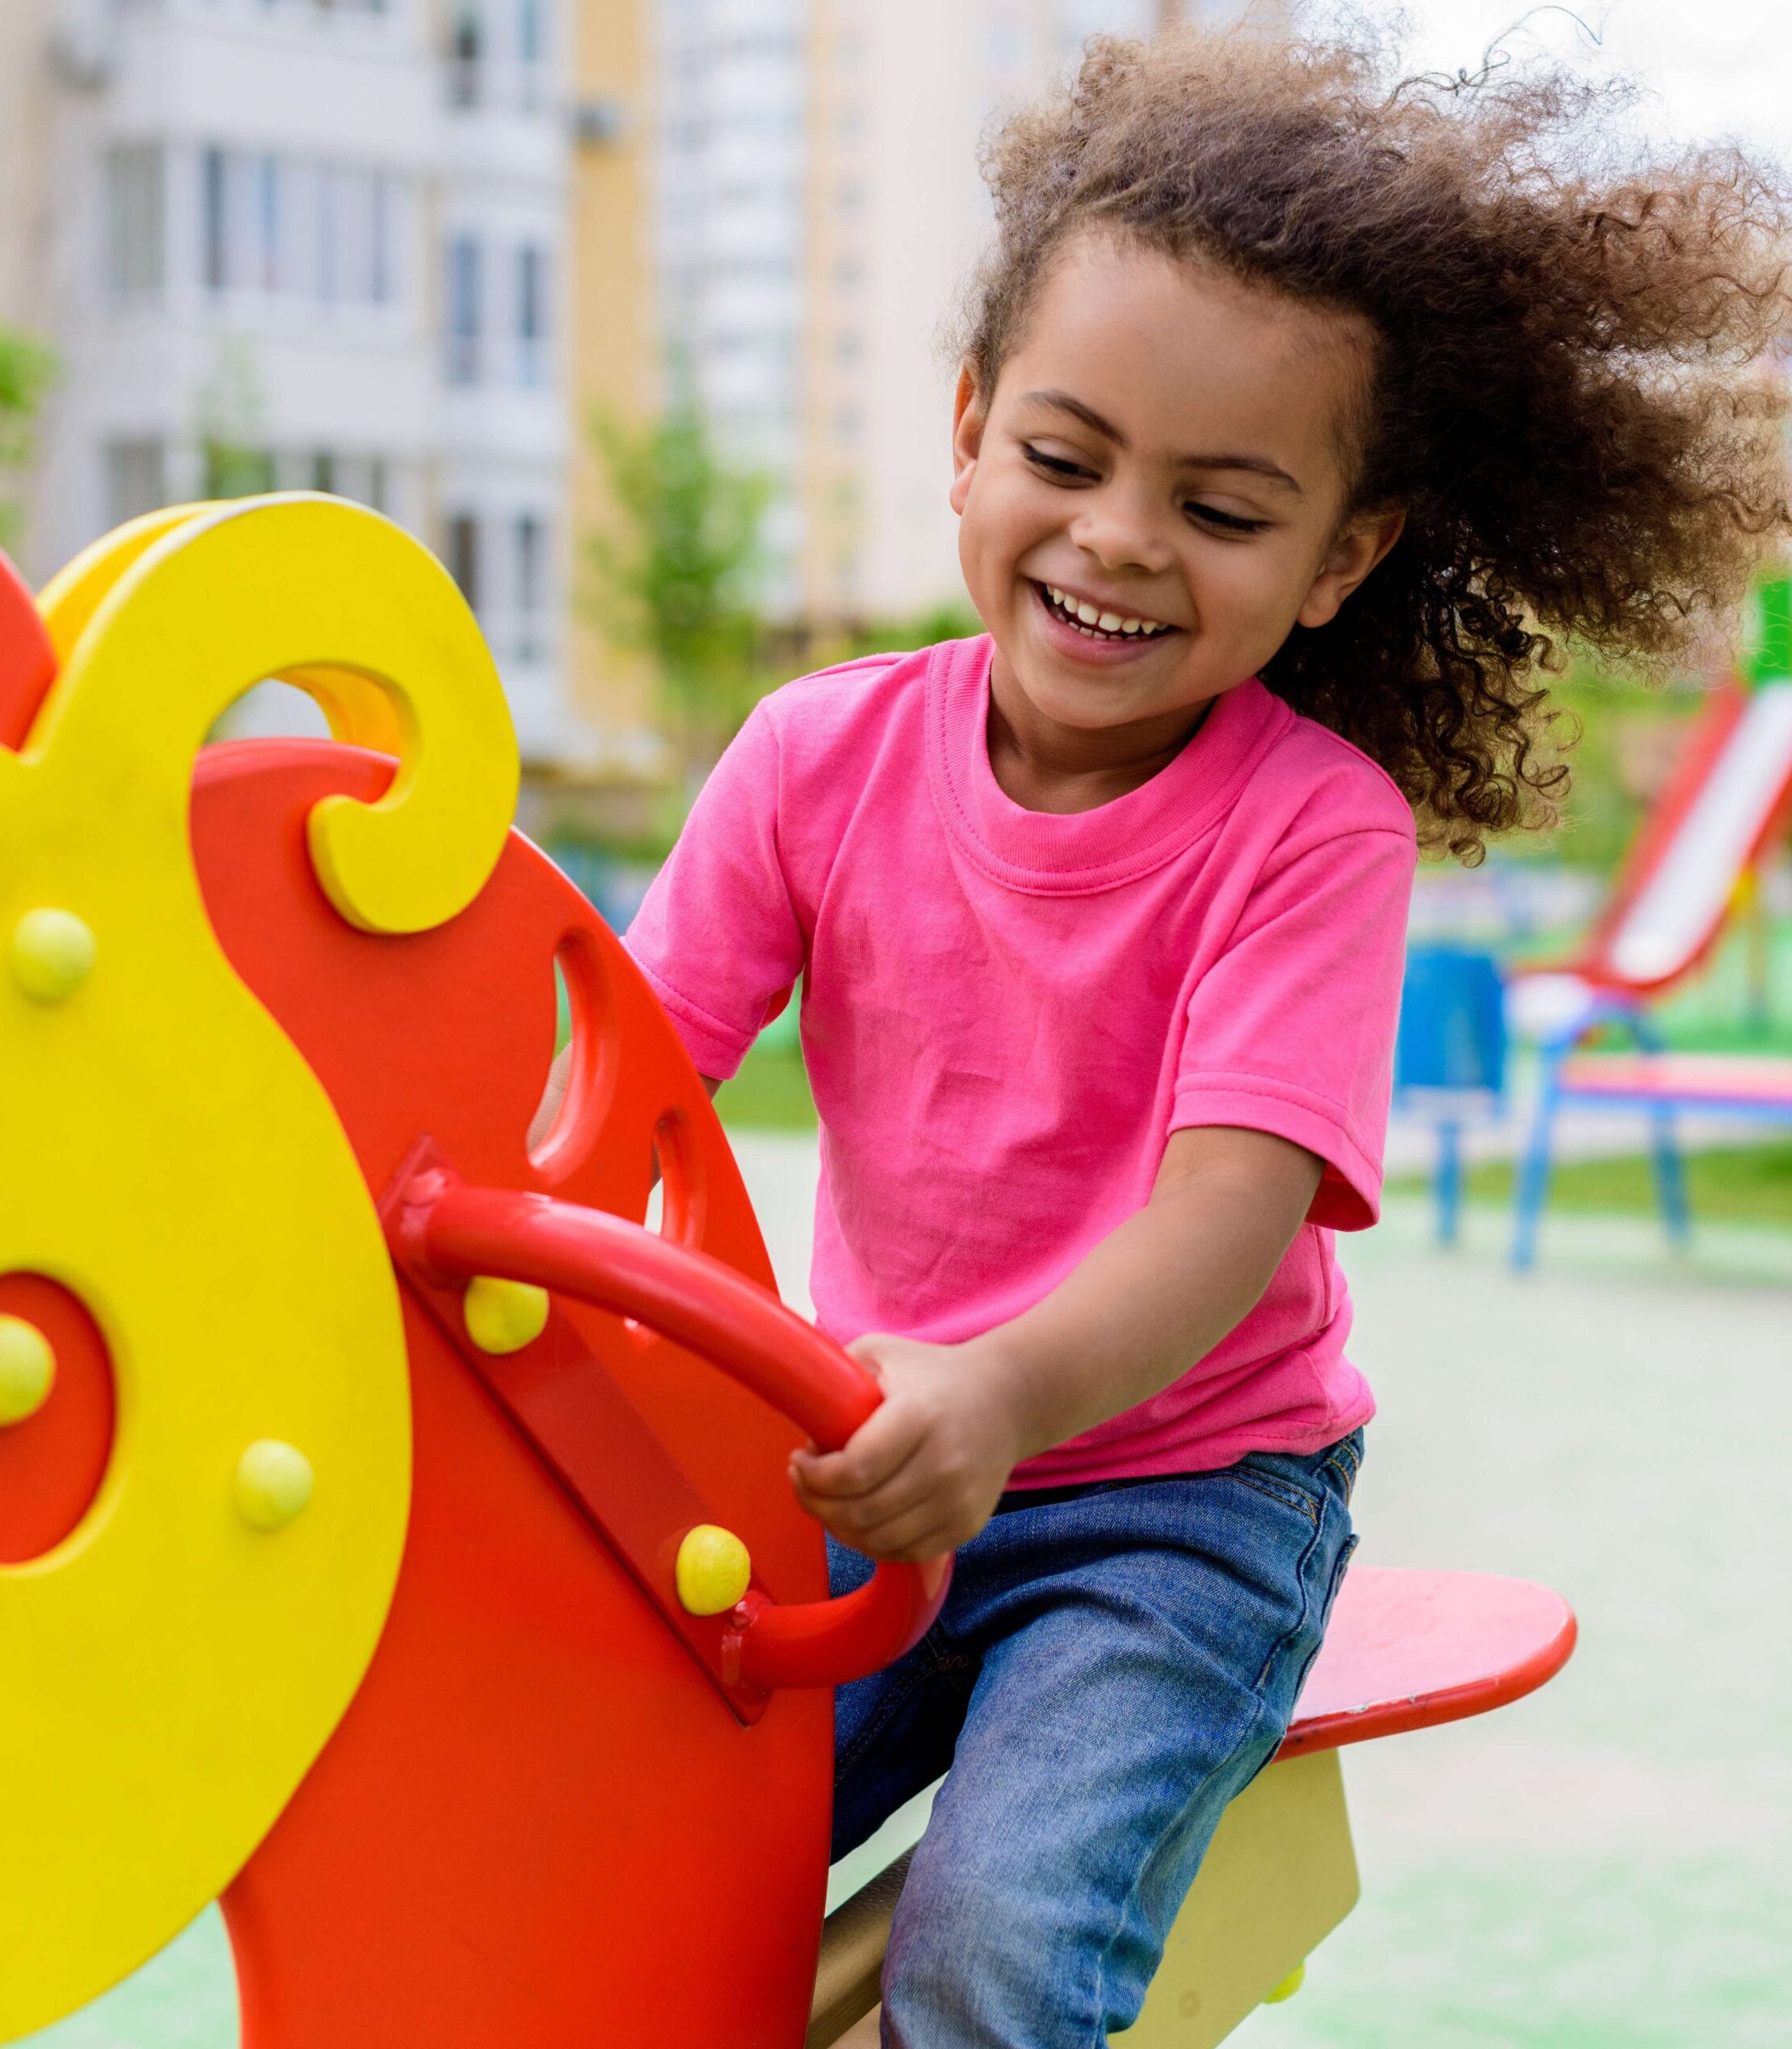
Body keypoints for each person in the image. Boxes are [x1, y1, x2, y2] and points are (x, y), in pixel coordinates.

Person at [619, 30, 1792, 2046]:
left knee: (990, 1947)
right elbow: (623, 1075)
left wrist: (996, 1395)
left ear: (1342, 555)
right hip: (884, 1456)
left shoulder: (1306, 826)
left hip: (1175, 1504)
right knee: (615, 1826)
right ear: (972, 427)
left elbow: (1226, 1212)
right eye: (1065, 459)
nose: (1120, 538)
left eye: (1222, 505)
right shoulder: (814, 754)